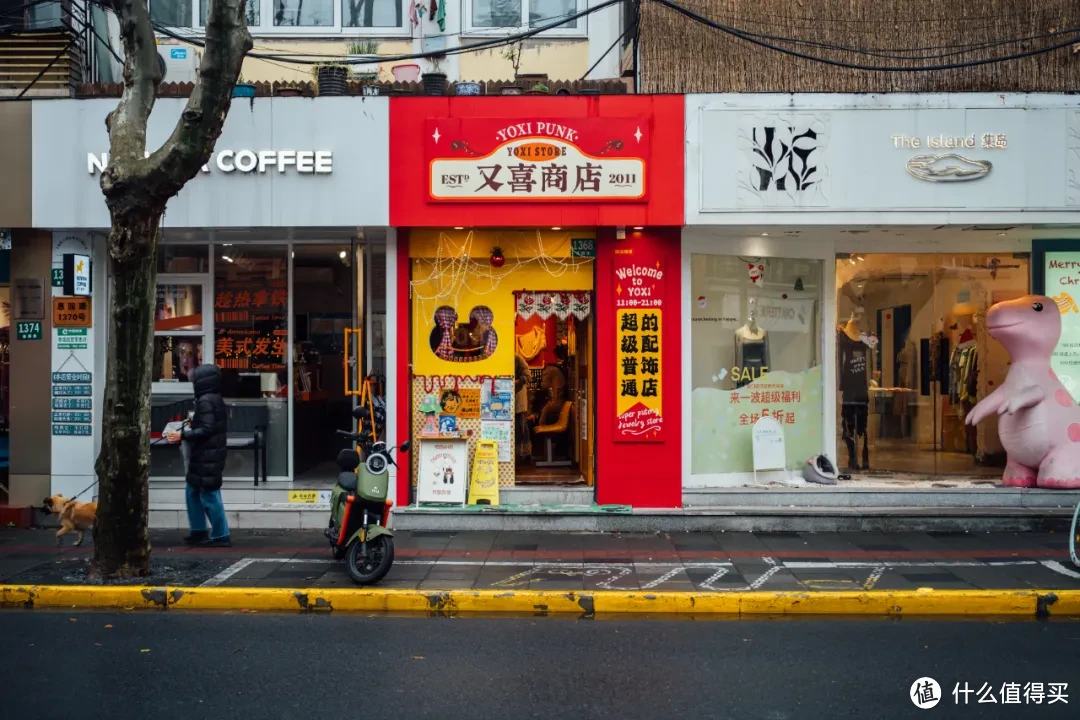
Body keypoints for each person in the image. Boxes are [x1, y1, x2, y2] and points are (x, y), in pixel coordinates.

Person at [166, 363, 230, 547]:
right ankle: (198, 531)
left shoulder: (206, 400)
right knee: (192, 491)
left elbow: (207, 429)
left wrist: (183, 434)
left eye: (195, 379)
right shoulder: (213, 398)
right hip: (207, 453)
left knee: (209, 494)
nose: (192, 381)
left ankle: (220, 535)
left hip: (207, 455)